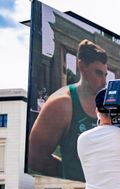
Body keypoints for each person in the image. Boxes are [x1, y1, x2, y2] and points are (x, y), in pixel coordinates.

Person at [29, 40, 108, 181]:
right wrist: (71, 173)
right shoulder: (61, 104)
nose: (104, 82)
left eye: (105, 75)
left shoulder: (107, 104)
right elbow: (35, 157)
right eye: (98, 73)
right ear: (82, 66)